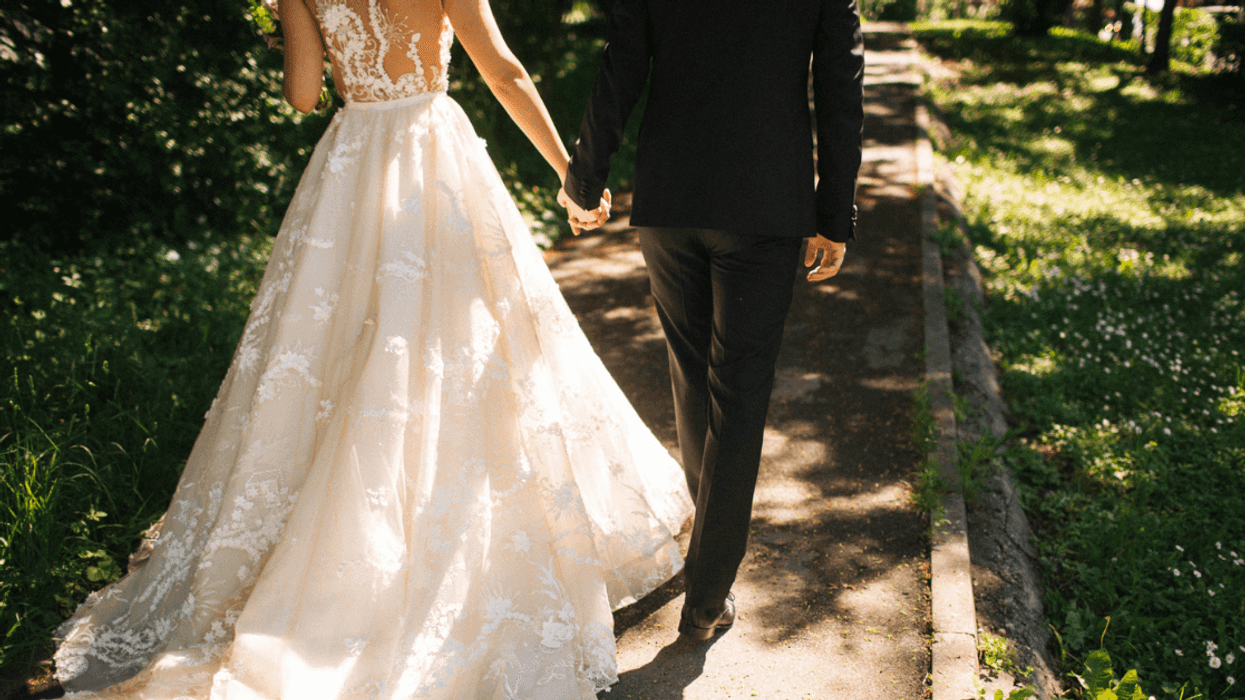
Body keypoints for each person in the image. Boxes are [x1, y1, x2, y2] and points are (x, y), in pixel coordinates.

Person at [51, 0, 694, 698]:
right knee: (464, 340)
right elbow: (503, 73)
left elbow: (303, 97)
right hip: (431, 156)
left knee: (339, 346)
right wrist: (572, 173)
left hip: (351, 163)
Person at [559, 0, 864, 641]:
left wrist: (585, 178)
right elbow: (841, 83)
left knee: (694, 376)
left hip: (672, 193)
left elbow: (622, 61)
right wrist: (834, 214)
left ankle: (708, 565)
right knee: (738, 392)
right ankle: (706, 595)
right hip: (764, 199)